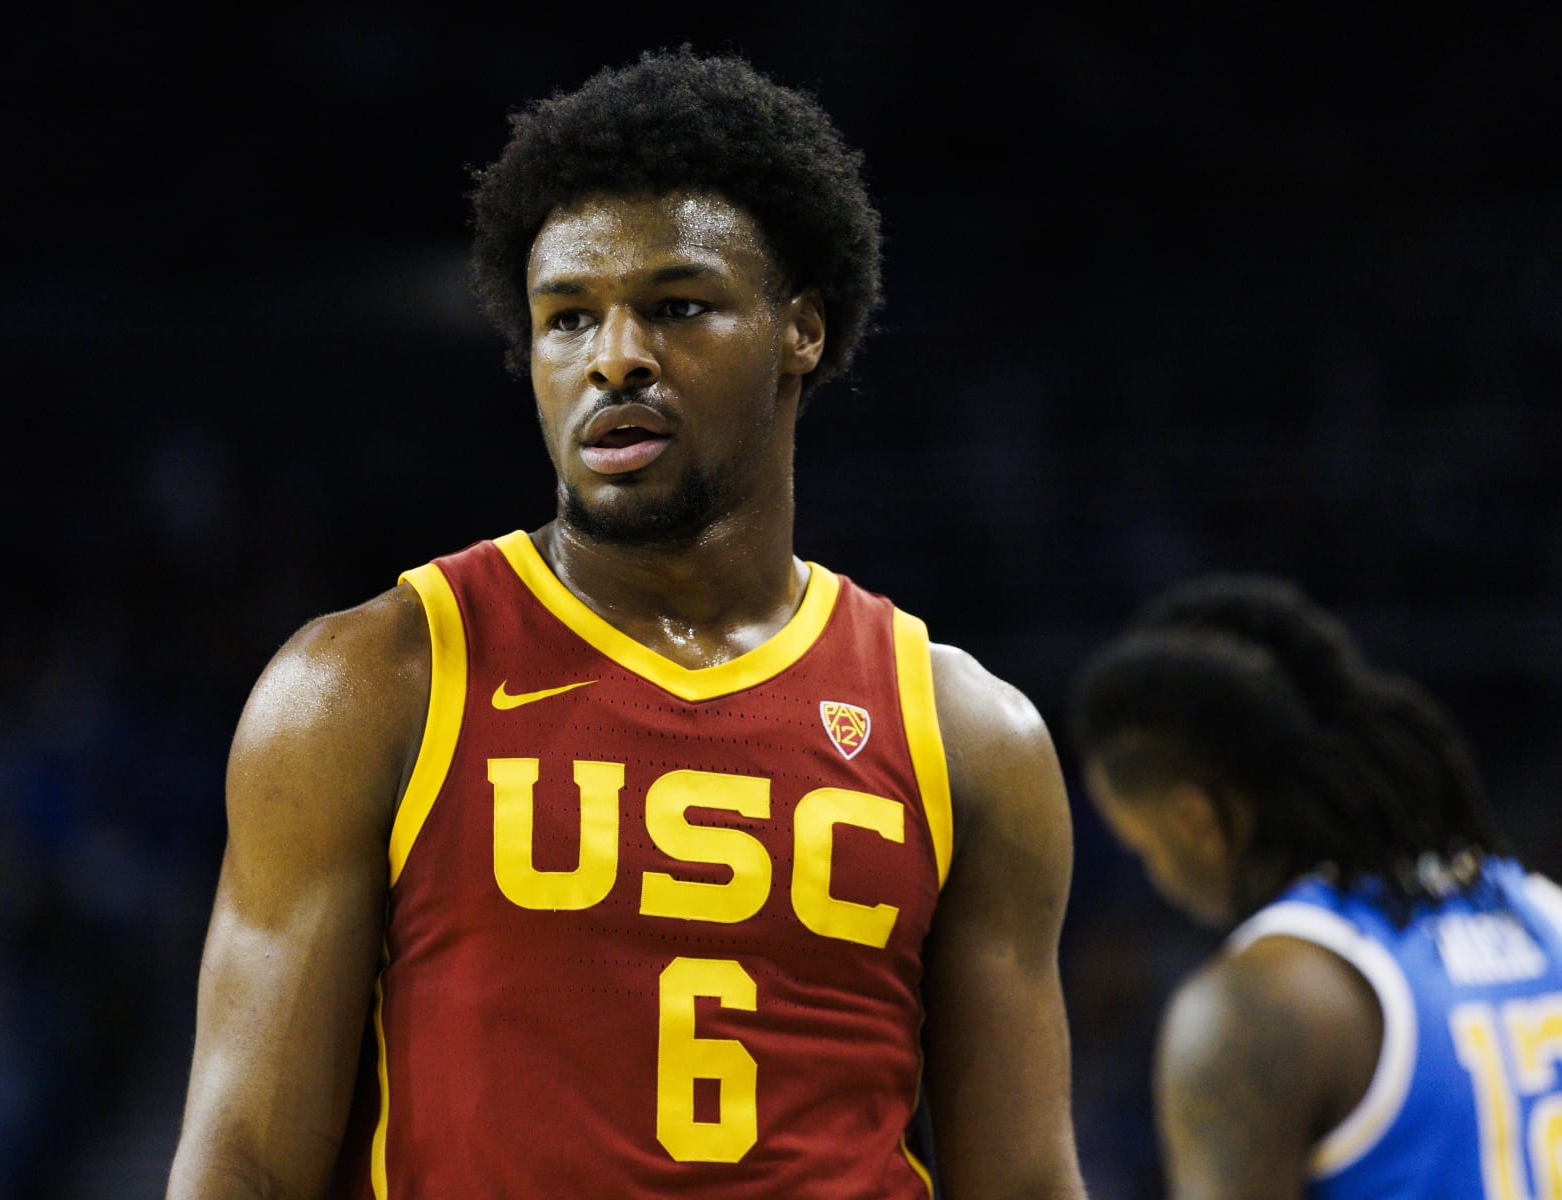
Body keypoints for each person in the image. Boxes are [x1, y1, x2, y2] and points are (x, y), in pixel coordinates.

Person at [166, 47, 1086, 1200]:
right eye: (567, 320)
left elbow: (1029, 1184)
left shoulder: (967, 734)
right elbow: (244, 1165)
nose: (614, 359)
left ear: (800, 330)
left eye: (676, 307)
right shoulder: (368, 683)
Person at [1069, 573, 1562, 1200]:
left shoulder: (1266, 1001)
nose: (1157, 878)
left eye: (1144, 850)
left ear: (1198, 820)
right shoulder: (1547, 912)